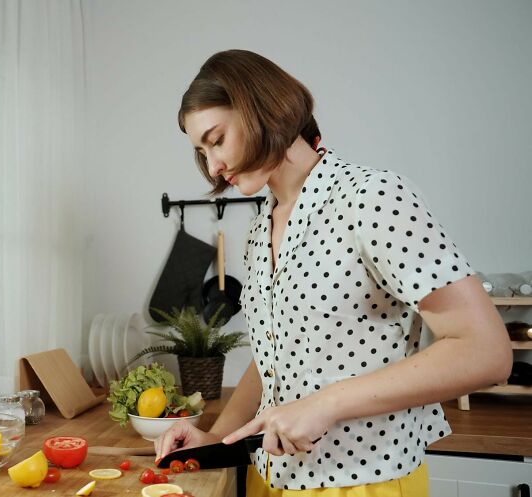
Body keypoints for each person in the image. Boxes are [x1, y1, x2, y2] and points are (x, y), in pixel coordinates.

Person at [154, 49, 512, 496]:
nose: (213, 168)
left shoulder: (372, 198)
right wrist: (217, 438)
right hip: (273, 479)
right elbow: (276, 359)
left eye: (217, 139)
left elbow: (487, 352)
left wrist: (327, 403)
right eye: (201, 152)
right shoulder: (260, 224)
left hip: (362, 483)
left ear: (262, 109)